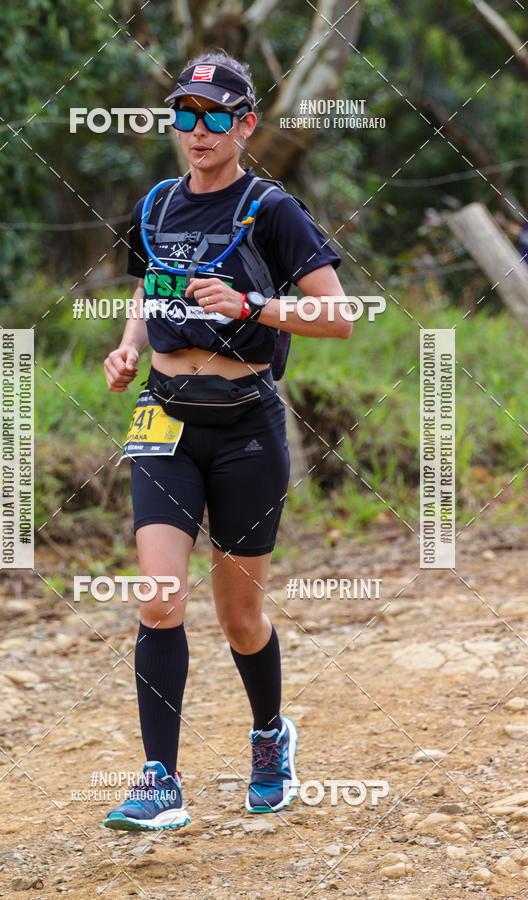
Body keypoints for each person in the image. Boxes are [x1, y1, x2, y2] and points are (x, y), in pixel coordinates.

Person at [102, 50, 351, 832]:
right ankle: (158, 781)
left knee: (240, 617)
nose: (197, 130)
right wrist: (130, 344)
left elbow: (338, 316)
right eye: (184, 114)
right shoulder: (158, 205)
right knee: (159, 597)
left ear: (245, 124)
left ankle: (270, 737)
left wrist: (252, 303)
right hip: (164, 419)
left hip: (245, 424)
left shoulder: (271, 209)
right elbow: (151, 285)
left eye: (215, 116)